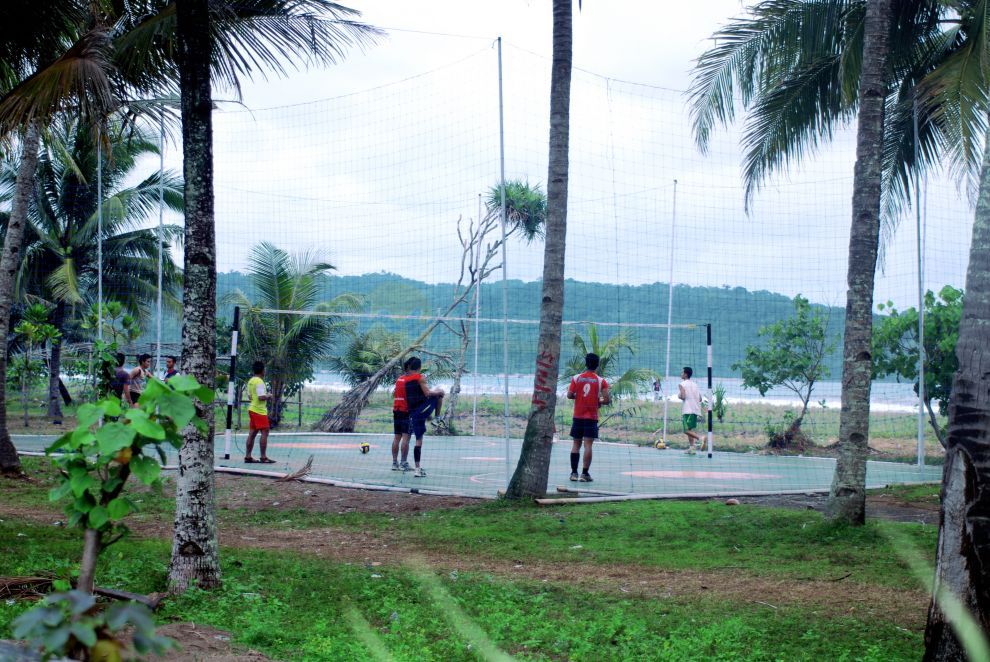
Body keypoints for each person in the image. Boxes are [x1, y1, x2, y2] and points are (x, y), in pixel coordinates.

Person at [566, 352, 610, 482]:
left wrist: (578, 398)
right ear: (597, 365)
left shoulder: (576, 378)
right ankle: (585, 474)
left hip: (578, 415)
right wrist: (598, 401)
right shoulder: (601, 381)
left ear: (585, 364)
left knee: (576, 444)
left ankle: (573, 473)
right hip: (591, 417)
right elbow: (607, 399)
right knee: (588, 445)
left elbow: (569, 395)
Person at [402, 356, 444, 478]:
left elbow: (418, 396)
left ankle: (417, 469)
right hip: (419, 413)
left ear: (409, 367)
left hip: (411, 414)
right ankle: (437, 418)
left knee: (416, 440)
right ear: (420, 367)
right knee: (439, 395)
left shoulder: (407, 380)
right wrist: (439, 392)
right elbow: (427, 393)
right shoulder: (421, 377)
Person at [244, 360, 275, 464]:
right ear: (262, 370)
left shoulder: (251, 381)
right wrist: (269, 396)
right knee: (265, 432)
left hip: (252, 409)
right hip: (259, 411)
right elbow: (261, 397)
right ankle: (263, 457)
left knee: (252, 433)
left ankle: (248, 456)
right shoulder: (260, 381)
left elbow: (250, 396)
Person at [390, 359, 413, 472]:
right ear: (409, 367)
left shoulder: (399, 379)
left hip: (397, 410)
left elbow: (395, 393)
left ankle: (395, 463)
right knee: (406, 438)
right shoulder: (410, 380)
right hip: (406, 411)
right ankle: (404, 463)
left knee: (397, 437)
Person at [678, 366, 706, 455]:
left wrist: (679, 395)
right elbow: (700, 398)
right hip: (695, 410)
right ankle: (692, 448)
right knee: (690, 429)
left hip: (688, 410)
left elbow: (683, 396)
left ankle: (701, 438)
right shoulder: (695, 384)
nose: (681, 374)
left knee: (686, 430)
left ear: (685, 374)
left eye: (682, 372)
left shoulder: (682, 384)